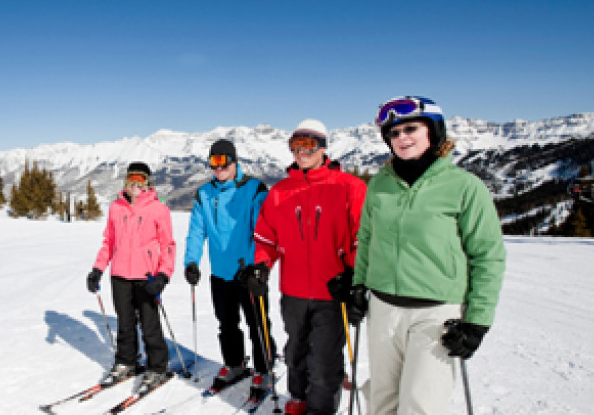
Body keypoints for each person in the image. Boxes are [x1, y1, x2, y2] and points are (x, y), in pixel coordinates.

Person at [351, 96, 506, 414]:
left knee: (421, 404)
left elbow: (487, 256)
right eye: (393, 133)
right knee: (381, 400)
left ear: (434, 132)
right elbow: (367, 239)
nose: (402, 137)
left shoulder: (464, 186)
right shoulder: (381, 184)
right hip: (383, 308)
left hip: (436, 314)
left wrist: (477, 321)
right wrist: (358, 285)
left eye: (411, 128)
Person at [250, 120, 367, 415]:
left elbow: (361, 238)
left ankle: (321, 409)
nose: (301, 152)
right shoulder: (280, 192)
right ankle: (298, 397)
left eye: (308, 145)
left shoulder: (349, 188)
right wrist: (261, 268)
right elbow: (266, 239)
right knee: (295, 352)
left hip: (333, 291)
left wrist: (354, 276)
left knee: (325, 359)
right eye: (295, 145)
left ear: (323, 147)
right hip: (294, 291)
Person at [183, 139, 276, 397]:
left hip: (249, 274)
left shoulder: (253, 189)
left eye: (224, 161)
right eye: (214, 162)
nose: (220, 167)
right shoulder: (204, 193)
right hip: (220, 273)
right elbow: (196, 231)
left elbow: (264, 231)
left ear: (235, 162)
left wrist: (261, 267)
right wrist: (191, 261)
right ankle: (235, 363)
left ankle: (264, 367)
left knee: (257, 324)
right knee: (227, 323)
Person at [87, 162, 176, 390]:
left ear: (148, 182)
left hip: (146, 276)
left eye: (141, 179)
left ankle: (157, 366)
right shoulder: (116, 207)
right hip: (119, 275)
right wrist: (98, 269)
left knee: (149, 324)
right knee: (125, 324)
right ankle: (126, 361)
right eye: (131, 179)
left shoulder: (158, 209)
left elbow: (168, 245)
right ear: (125, 180)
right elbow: (108, 242)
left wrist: (163, 276)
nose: (135, 184)